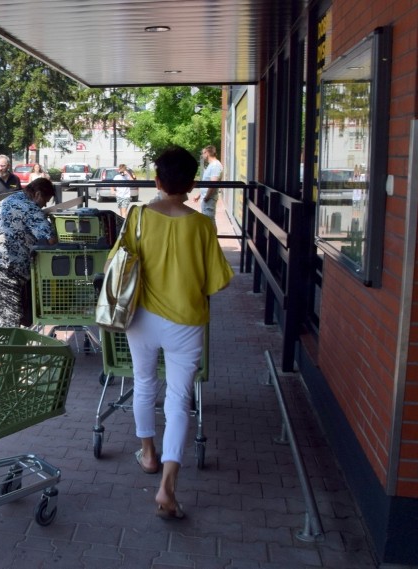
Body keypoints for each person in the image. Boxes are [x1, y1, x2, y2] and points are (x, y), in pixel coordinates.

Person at [115, 146, 233, 521]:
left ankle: (147, 453)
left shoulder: (137, 217)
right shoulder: (202, 225)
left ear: (157, 181)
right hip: (186, 321)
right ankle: (167, 486)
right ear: (192, 183)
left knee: (145, 383)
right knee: (179, 400)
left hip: (141, 319)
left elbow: (116, 265)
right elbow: (217, 282)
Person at [0, 177, 58, 328]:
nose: (44, 206)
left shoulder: (12, 197)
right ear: (38, 194)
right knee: (10, 315)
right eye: (45, 201)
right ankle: (8, 349)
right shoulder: (31, 208)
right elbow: (51, 240)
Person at [193, 145, 223, 229]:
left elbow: (213, 183)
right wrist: (199, 195)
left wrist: (207, 197)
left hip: (209, 199)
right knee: (207, 220)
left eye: (203, 153)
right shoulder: (211, 165)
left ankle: (213, 240)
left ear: (207, 153)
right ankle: (210, 240)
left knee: (209, 220)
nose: (202, 156)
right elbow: (206, 183)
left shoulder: (215, 165)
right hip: (206, 198)